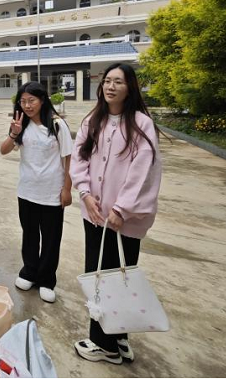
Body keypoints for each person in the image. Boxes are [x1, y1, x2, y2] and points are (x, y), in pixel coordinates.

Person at [70, 63, 162, 365]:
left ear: (130, 87)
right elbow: (79, 161)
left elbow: (142, 173)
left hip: (123, 220)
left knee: (118, 274)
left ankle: (107, 343)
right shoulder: (92, 120)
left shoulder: (140, 124)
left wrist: (122, 208)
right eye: (107, 81)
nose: (111, 86)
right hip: (95, 216)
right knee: (100, 274)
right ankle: (113, 336)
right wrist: (85, 193)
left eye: (118, 82)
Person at [0, 81, 73, 304]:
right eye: (23, 101)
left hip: (51, 193)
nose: (27, 105)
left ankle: (47, 279)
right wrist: (14, 134)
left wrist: (67, 189)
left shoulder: (58, 126)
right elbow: (3, 151)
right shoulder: (21, 125)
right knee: (29, 235)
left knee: (51, 239)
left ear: (42, 100)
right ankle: (29, 271)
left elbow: (68, 159)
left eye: (32, 100)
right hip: (27, 191)